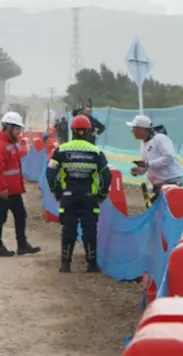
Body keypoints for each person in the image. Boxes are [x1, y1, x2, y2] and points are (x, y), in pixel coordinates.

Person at [46, 114, 111, 273]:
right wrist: (101, 195)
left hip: (68, 196)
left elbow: (50, 172)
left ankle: (65, 265)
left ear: (72, 130)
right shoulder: (96, 152)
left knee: (69, 228)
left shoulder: (61, 150)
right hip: (90, 197)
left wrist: (56, 190)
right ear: (88, 131)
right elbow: (106, 175)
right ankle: (91, 264)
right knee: (89, 229)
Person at [0, 111, 42, 257]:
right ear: (8, 127)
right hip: (4, 190)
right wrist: (2, 188)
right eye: (17, 128)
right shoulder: (0, 145)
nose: (19, 132)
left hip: (13, 189)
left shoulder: (10, 143)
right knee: (1, 216)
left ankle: (22, 244)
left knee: (20, 215)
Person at [127, 114, 183, 196]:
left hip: (171, 182)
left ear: (141, 129)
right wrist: (139, 170)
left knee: (171, 208)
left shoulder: (160, 138)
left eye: (134, 128)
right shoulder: (143, 142)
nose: (132, 131)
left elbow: (169, 157)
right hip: (157, 184)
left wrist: (147, 163)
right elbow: (147, 164)